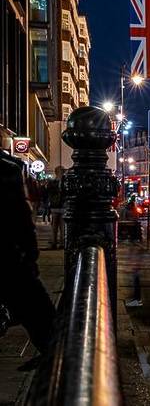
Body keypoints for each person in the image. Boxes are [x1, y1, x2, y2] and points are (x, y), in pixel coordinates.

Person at [0, 148, 56, 370]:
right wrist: (30, 255)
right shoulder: (8, 168)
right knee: (37, 309)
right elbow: (21, 218)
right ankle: (55, 355)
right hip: (7, 256)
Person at [47, 168, 66, 249]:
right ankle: (57, 242)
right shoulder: (56, 182)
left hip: (59, 206)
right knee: (58, 226)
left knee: (59, 226)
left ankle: (58, 243)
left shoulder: (62, 182)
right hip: (58, 206)